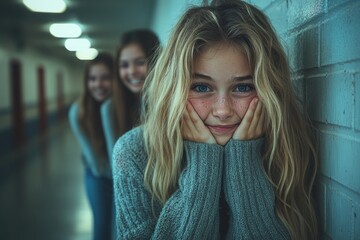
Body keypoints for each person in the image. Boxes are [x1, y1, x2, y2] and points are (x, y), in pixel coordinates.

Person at [112, 1, 318, 239]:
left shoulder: (285, 145)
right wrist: (203, 167)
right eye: (201, 86)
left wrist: (245, 166)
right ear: (175, 90)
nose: (222, 110)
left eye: (242, 87)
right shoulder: (133, 152)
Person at [68, 53, 115, 240]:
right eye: (92, 79)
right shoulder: (78, 112)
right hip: (97, 173)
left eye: (105, 78)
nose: (98, 84)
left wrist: (109, 110)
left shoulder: (121, 107)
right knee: (102, 226)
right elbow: (101, 165)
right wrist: (106, 113)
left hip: (124, 173)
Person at [100, 29, 160, 160]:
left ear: (157, 62)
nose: (132, 71)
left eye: (140, 62)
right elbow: (115, 164)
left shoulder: (172, 104)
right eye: (124, 65)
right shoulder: (110, 109)